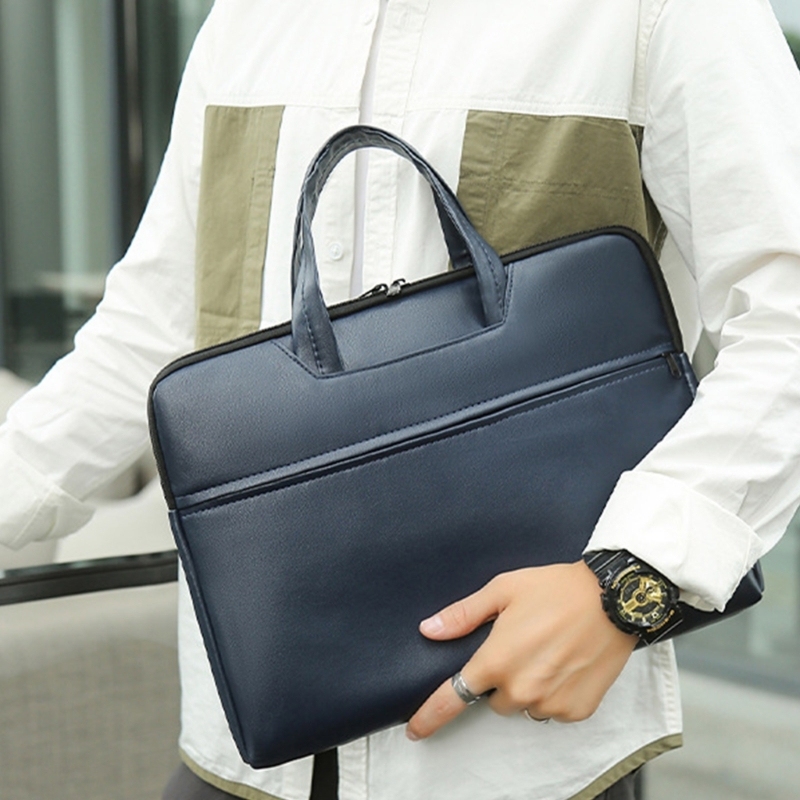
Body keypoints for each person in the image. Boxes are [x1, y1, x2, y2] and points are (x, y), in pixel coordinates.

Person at [2, 1, 800, 799]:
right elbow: (152, 329)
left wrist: (626, 584)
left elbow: (786, 317)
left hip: (518, 751)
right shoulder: (248, 17)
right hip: (242, 742)